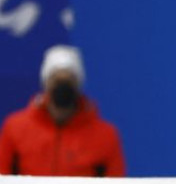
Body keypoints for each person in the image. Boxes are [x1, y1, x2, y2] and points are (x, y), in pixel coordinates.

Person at [0, 45, 125, 176]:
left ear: (78, 84)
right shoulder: (15, 129)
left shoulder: (105, 136)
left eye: (69, 79)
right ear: (46, 83)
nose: (62, 86)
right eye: (56, 79)